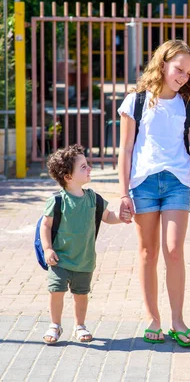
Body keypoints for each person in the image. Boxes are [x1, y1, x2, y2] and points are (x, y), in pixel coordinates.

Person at [117, 39, 190, 347]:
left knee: (174, 250)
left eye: (189, 72)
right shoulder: (135, 102)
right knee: (148, 253)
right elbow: (125, 150)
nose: (184, 76)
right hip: (143, 183)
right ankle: (153, 319)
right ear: (162, 64)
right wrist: (123, 193)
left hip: (176, 182)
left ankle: (177, 320)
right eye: (179, 69)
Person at [40, 144, 126, 344]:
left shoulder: (93, 198)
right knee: (56, 291)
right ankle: (55, 325)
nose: (89, 169)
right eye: (83, 167)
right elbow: (45, 226)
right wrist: (47, 249)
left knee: (81, 294)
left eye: (87, 165)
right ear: (68, 177)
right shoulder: (58, 201)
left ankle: (80, 325)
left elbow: (107, 216)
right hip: (59, 259)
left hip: (84, 260)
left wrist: (121, 217)